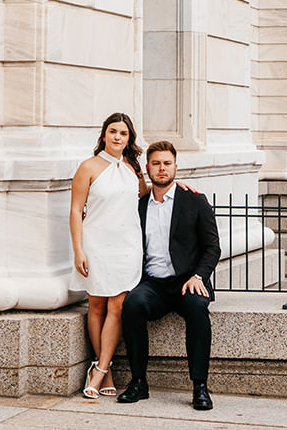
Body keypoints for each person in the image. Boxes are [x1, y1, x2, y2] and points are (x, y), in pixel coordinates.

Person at [117, 140, 219, 411]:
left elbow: (212, 247)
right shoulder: (138, 205)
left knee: (198, 309)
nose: (162, 169)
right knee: (132, 305)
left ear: (176, 166)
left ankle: (200, 385)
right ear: (148, 168)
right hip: (154, 284)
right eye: (156, 163)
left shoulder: (195, 201)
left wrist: (199, 276)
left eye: (167, 163)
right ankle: (139, 382)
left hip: (188, 281)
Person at [68, 112, 144, 398]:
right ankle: (105, 370)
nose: (117, 137)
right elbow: (76, 210)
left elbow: (148, 193)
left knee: (118, 306)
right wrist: (79, 250)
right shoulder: (88, 167)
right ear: (103, 135)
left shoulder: (133, 168)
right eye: (113, 131)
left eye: (123, 133)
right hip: (96, 244)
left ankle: (98, 370)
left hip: (127, 246)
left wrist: (181, 186)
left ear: (129, 139)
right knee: (97, 306)